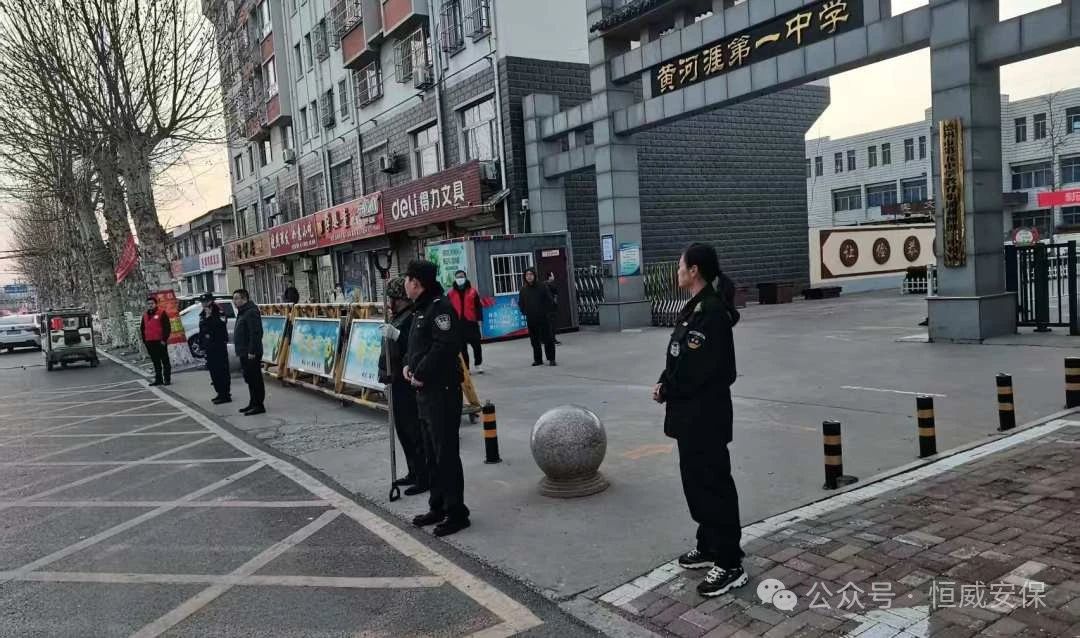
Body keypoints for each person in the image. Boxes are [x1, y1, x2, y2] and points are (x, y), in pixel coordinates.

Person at [653, 242, 747, 598]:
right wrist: (664, 381)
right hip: (689, 417)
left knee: (713, 486)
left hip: (706, 417)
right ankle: (708, 545)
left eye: (681, 265)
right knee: (696, 484)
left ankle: (730, 561)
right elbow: (680, 358)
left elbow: (705, 370)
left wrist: (669, 388)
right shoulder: (694, 308)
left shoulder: (711, 312)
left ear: (694, 271)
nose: (678, 271)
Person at [401, 259, 470, 537]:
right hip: (425, 392)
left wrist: (420, 372)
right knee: (432, 454)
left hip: (442, 391)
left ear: (416, 283)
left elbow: (445, 346)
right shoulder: (421, 308)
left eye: (407, 279)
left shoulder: (440, 307)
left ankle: (457, 512)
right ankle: (438, 506)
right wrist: (408, 365)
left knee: (446, 454)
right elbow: (417, 346)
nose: (404, 284)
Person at [377, 277, 428, 495]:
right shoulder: (397, 317)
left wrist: (397, 335)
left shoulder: (413, 315)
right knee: (402, 431)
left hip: (407, 382)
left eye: (393, 299)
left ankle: (423, 476)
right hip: (395, 380)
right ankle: (413, 471)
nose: (390, 303)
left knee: (413, 431)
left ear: (402, 299)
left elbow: (414, 344)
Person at [232, 288, 266, 416]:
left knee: (255, 379)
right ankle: (252, 402)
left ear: (244, 299)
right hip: (244, 352)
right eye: (234, 299)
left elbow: (256, 333)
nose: (234, 301)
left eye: (237, 298)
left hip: (251, 352)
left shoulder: (251, 312)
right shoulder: (243, 311)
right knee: (249, 379)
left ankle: (259, 405)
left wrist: (252, 351)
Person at [517, 267, 556, 367]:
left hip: (543, 317)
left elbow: (549, 300)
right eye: (527, 275)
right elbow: (521, 303)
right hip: (531, 318)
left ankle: (551, 359)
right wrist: (525, 312)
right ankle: (538, 359)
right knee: (534, 341)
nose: (529, 277)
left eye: (531, 274)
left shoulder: (542, 286)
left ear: (534, 275)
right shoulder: (523, 289)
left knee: (548, 339)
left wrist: (546, 312)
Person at [448, 269, 484, 374]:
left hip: (471, 322)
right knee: (462, 348)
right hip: (458, 324)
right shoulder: (450, 294)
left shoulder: (473, 291)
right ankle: (466, 368)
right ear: (455, 279)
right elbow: (448, 309)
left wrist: (479, 319)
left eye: (461, 276)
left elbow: (478, 306)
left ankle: (478, 364)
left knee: (476, 345)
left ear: (465, 278)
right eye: (458, 277)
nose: (460, 279)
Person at [198, 293, 231, 405]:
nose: (204, 304)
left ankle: (225, 394)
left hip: (218, 345)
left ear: (211, 301)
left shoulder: (219, 311)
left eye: (206, 301)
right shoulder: (202, 313)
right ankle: (219, 393)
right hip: (209, 347)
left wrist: (209, 317)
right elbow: (202, 330)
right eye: (202, 302)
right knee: (213, 371)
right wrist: (202, 345)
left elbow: (220, 325)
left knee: (222, 370)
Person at [141, 296, 172, 386]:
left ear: (155, 304)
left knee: (165, 361)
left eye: (152, 303)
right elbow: (142, 328)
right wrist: (145, 341)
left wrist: (164, 340)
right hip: (150, 342)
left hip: (160, 342)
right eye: (148, 304)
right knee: (155, 362)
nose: (150, 305)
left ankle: (167, 379)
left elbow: (167, 327)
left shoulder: (161, 313)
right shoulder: (145, 315)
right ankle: (158, 379)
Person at [545, 272, 562, 345]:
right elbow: (555, 296)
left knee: (547, 325)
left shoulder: (543, 284)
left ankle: (544, 339)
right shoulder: (552, 285)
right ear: (549, 277)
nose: (553, 277)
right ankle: (553, 340)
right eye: (552, 275)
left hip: (545, 308)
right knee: (552, 324)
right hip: (551, 308)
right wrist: (555, 303)